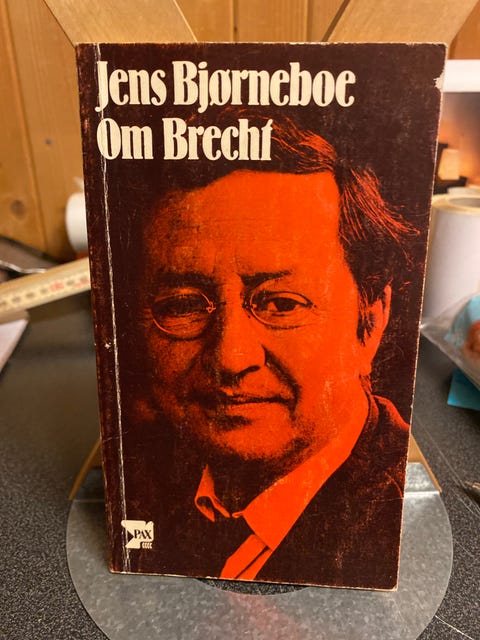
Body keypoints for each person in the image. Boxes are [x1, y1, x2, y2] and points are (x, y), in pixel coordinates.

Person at [127, 119, 416, 589]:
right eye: (182, 306)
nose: (230, 357)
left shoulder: (394, 529)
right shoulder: (138, 479)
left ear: (371, 319)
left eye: (282, 304)